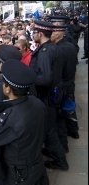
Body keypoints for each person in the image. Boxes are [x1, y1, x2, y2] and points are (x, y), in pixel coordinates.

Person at [29, 20, 69, 171]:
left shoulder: (45, 52)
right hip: (55, 93)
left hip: (47, 96)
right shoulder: (54, 47)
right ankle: (56, 151)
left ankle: (60, 161)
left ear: (39, 33)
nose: (33, 35)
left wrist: (29, 77)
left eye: (34, 32)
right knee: (52, 126)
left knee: (48, 130)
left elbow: (44, 79)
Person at [50, 23, 80, 150]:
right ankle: (74, 130)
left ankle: (65, 140)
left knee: (62, 111)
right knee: (70, 106)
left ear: (57, 35)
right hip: (70, 81)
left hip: (63, 83)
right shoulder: (70, 46)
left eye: (51, 33)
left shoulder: (58, 49)